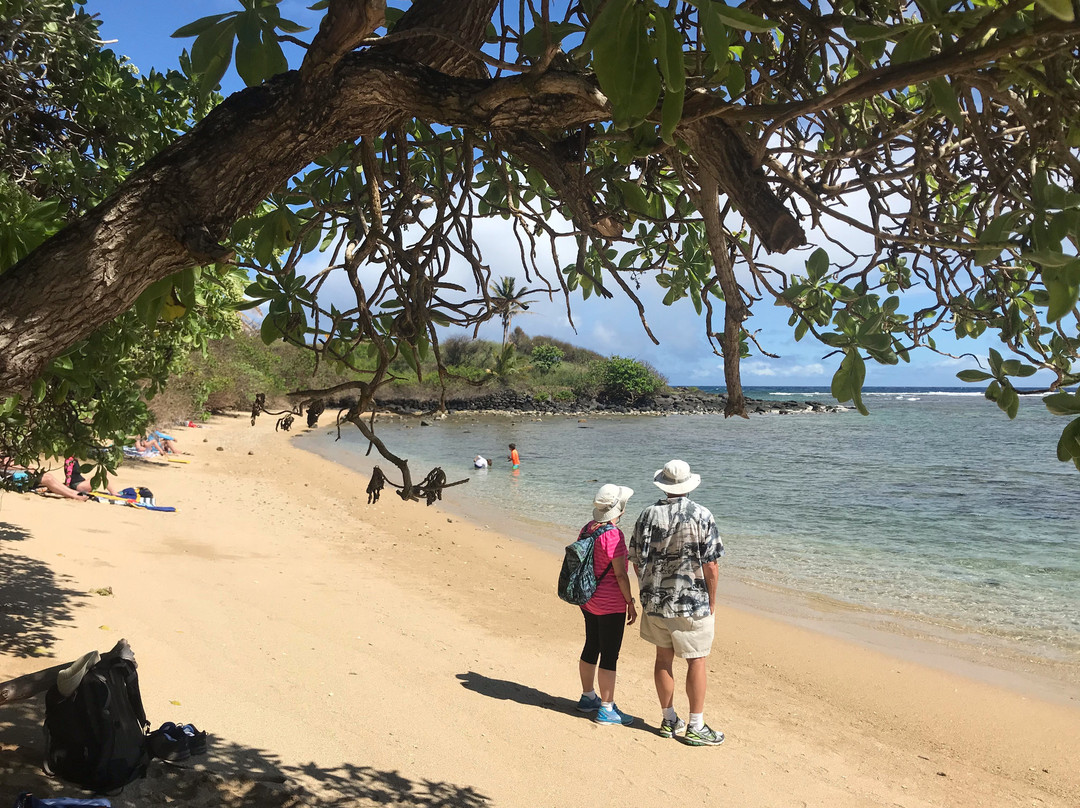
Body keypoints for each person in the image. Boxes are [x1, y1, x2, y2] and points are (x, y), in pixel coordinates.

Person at [629, 459, 725, 745]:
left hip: (656, 600)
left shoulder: (647, 515)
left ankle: (668, 718)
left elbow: (636, 559)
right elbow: (711, 565)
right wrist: (712, 600)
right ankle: (696, 725)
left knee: (663, 658)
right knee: (697, 660)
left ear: (663, 485)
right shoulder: (701, 514)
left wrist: (648, 589)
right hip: (691, 602)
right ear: (688, 484)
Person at [575, 483, 638, 726]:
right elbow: (620, 574)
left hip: (588, 598)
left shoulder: (588, 528)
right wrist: (630, 602)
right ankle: (606, 708)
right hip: (610, 604)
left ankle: (588, 696)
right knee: (610, 655)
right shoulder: (614, 535)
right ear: (619, 508)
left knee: (591, 645)